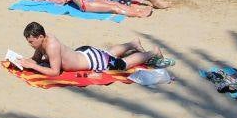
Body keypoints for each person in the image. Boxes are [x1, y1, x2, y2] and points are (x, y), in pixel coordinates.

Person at [18, 22, 163, 76]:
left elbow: (55, 72)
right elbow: (36, 59)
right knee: (108, 53)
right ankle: (132, 43)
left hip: (91, 60)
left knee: (122, 65)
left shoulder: (51, 46)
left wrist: (34, 67)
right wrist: (23, 61)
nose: (30, 44)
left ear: (40, 36)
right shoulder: (43, 42)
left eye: (31, 42)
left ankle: (153, 52)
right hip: (84, 53)